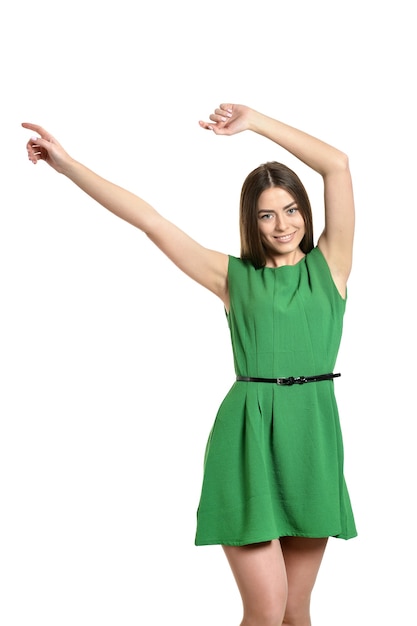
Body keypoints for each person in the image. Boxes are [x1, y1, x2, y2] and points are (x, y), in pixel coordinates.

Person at [23, 103, 357, 626]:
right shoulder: (233, 277)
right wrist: (68, 166)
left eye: (292, 209)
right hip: (248, 436)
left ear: (306, 212)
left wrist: (257, 124)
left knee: (296, 611)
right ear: (252, 219)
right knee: (266, 611)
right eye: (267, 213)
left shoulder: (331, 265)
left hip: (312, 437)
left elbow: (336, 165)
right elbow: (151, 221)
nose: (282, 224)